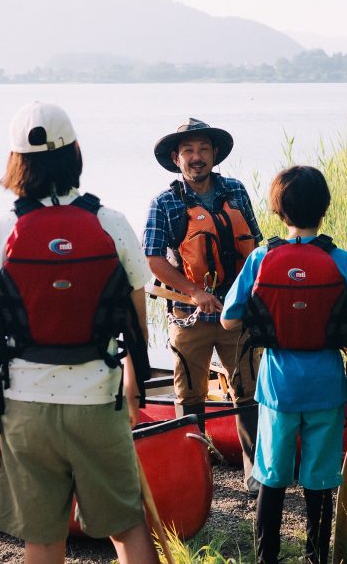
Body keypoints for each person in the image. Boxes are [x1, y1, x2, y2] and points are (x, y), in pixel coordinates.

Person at [0, 101, 156, 564]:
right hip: (97, 402)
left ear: (16, 162)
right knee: (127, 527)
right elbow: (136, 328)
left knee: (44, 538)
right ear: (75, 152)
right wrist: (134, 388)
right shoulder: (110, 223)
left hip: (25, 409)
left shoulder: (1, 230)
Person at [220, 165, 347, 564]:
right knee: (319, 480)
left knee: (271, 478)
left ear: (279, 211)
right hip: (325, 386)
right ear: (324, 208)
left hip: (277, 386)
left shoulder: (261, 257)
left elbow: (229, 319)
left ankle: (266, 559)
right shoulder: (343, 261)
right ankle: (314, 558)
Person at [142, 118, 263, 490]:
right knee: (190, 395)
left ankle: (255, 474)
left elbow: (254, 247)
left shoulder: (235, 190)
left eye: (204, 150)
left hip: (236, 314)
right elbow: (154, 259)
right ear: (176, 158)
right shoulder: (164, 203)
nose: (197, 158)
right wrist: (195, 292)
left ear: (214, 155)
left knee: (247, 389)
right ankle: (194, 475)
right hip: (188, 318)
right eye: (189, 151)